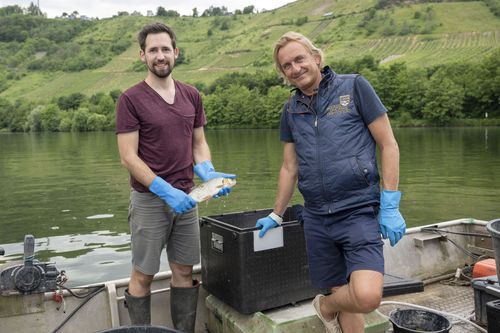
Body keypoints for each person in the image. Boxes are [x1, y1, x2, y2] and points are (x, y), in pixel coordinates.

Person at [255, 32, 406, 333]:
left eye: (299, 59)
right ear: (283, 73)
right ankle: (332, 305)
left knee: (366, 295)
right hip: (317, 218)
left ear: (316, 57)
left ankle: (324, 308)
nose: (295, 68)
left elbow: (388, 144)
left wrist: (390, 203)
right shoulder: (291, 109)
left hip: (358, 211)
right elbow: (289, 167)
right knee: (340, 291)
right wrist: (276, 213)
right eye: (286, 65)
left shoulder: (354, 87)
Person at [116, 22, 235, 333]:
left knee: (184, 270)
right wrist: (163, 189)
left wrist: (207, 172)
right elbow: (128, 156)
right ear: (142, 55)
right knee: (143, 274)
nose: (160, 55)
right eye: (153, 50)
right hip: (149, 201)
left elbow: (198, 143)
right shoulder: (130, 99)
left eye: (165, 49)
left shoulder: (191, 95)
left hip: (188, 199)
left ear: (176, 52)